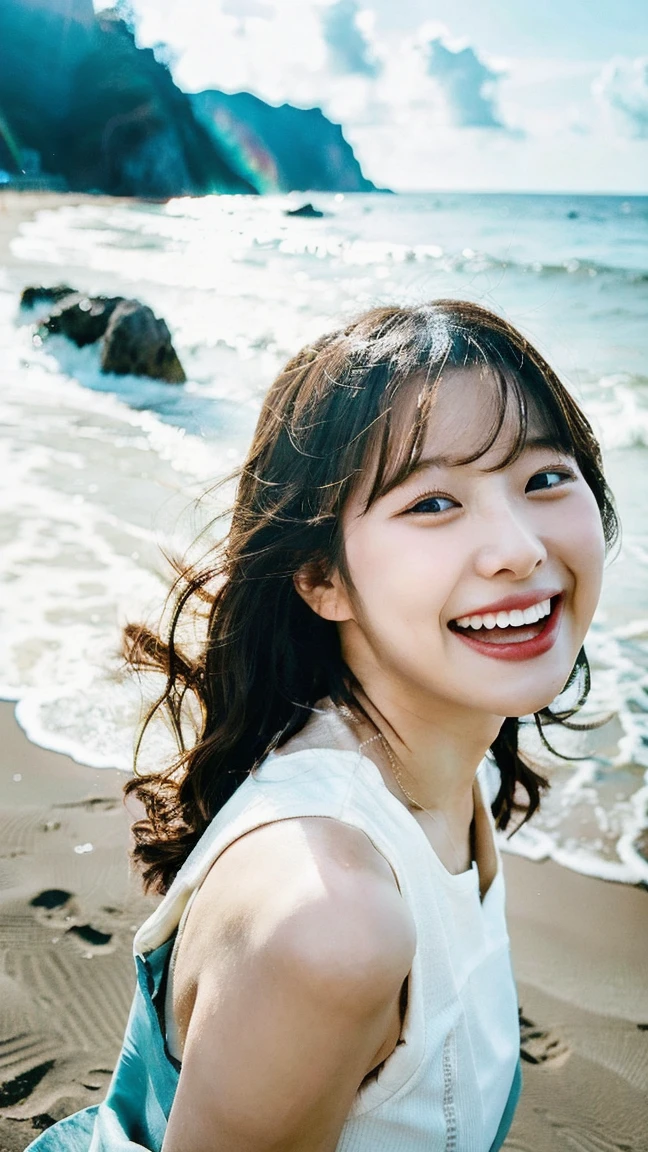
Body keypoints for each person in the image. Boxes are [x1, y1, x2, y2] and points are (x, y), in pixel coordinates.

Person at [28, 300, 617, 1152]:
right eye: (434, 502)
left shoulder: (451, 754)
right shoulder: (332, 923)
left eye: (544, 479)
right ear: (320, 577)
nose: (520, 547)